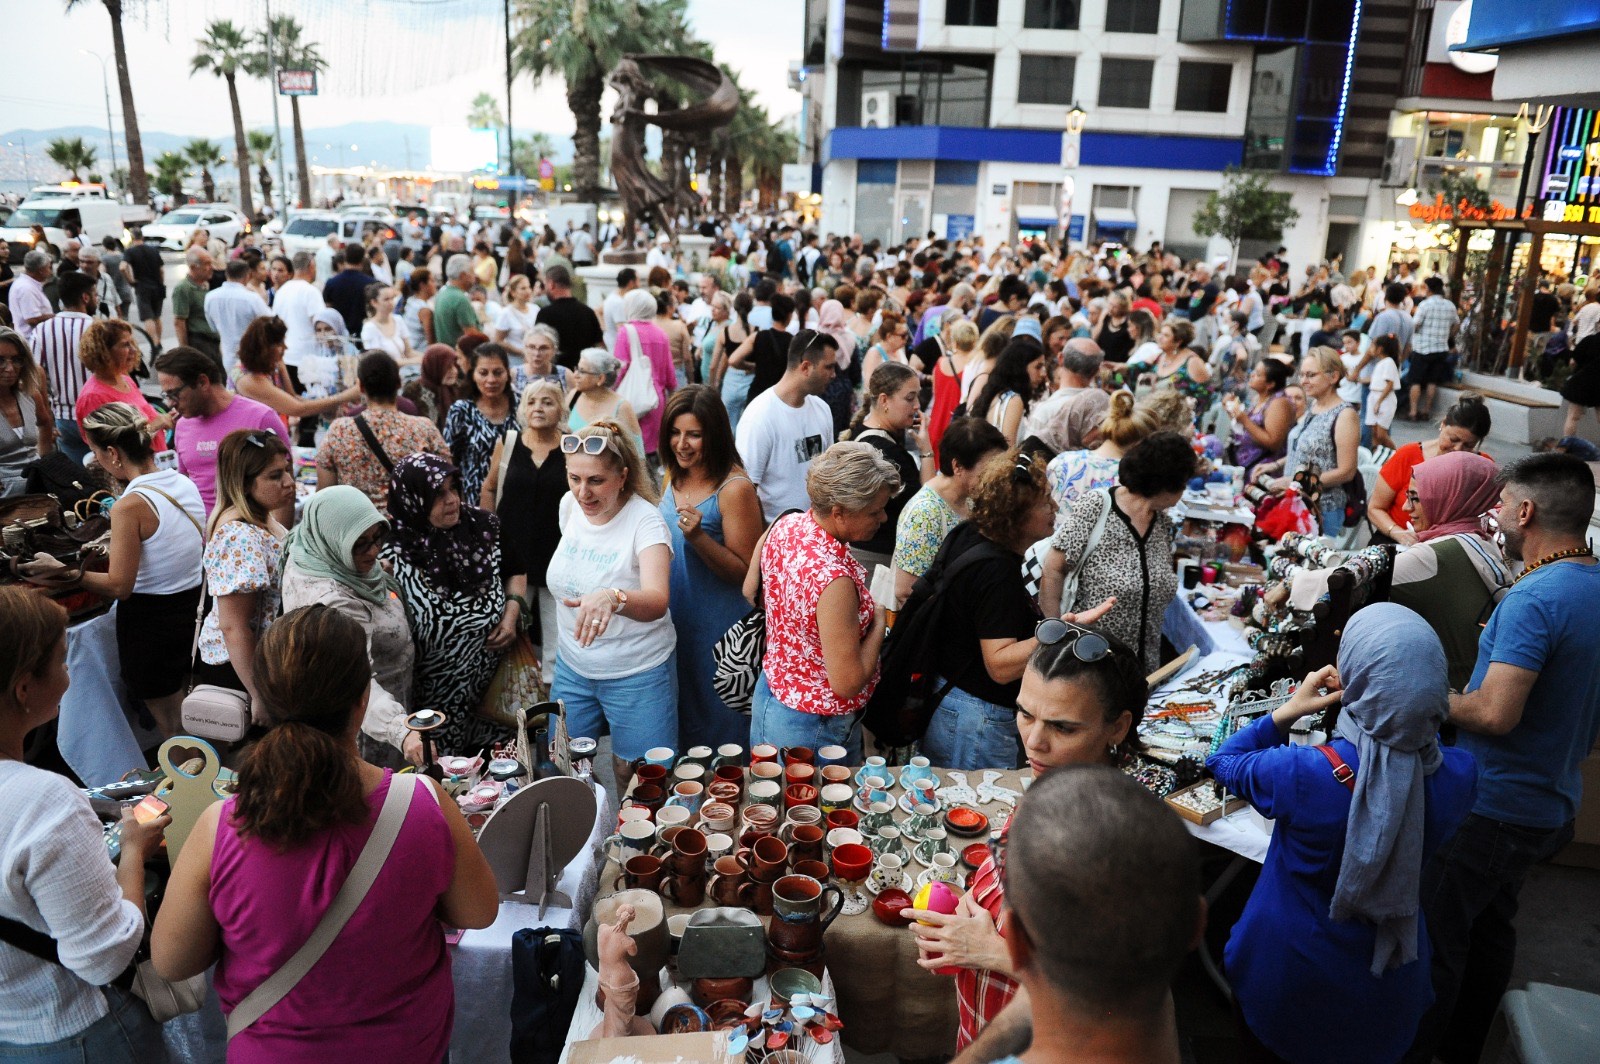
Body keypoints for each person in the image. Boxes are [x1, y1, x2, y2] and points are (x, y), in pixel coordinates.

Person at [151, 605, 498, 1062]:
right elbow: (478, 911)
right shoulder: (423, 802)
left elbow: (174, 961)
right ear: (362, 698)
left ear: (266, 702)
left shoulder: (221, 827)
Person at [1210, 605, 1476, 1064]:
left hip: (1286, 979)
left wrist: (1287, 712)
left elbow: (1223, 759)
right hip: (1388, 991)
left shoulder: (1302, 774)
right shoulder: (1460, 775)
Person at [1406, 453, 1600, 1064]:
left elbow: (1494, 713)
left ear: (1526, 511)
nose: (1494, 516)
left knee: (1436, 941)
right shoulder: (1589, 585)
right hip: (1549, 806)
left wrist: (1424, 692)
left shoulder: (1536, 597)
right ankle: (1461, 1049)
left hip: (1492, 808)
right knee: (1490, 931)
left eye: (1501, 503)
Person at [908, 625, 1150, 1055]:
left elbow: (1117, 995)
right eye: (1025, 714)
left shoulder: (1114, 845)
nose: (1034, 743)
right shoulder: (1055, 786)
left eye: (1064, 727)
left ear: (1117, 727)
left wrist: (990, 951)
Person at [0, 588, 171, 1063]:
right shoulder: (43, 801)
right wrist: (134, 848)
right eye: (60, 661)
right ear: (24, 688)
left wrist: (98, 802)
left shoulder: (47, 800)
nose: (69, 673)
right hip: (83, 1034)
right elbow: (107, 955)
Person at [918, 450, 1117, 769]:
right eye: (1045, 502)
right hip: (975, 720)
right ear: (1016, 515)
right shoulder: (997, 573)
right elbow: (999, 664)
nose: (1054, 508)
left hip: (956, 706)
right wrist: (1061, 631)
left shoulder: (970, 534)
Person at [746, 442, 899, 760]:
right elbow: (847, 683)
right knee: (816, 807)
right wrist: (879, 624)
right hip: (815, 727)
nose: (883, 518)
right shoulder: (834, 580)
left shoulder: (785, 525)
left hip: (773, 696)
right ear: (839, 512)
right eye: (874, 511)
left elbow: (750, 590)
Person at [545, 423, 676, 791]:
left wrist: (613, 597)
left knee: (635, 775)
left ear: (623, 476)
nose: (583, 492)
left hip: (637, 671)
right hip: (574, 668)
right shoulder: (569, 506)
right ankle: (593, 836)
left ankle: (631, 845)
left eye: (596, 481)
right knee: (567, 766)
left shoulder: (645, 521)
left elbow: (657, 599)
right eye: (575, 478)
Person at [67, 403, 205, 737]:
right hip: (191, 612)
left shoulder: (130, 505)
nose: (97, 461)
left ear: (113, 453)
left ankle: (193, 788)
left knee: (174, 729)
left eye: (96, 453)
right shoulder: (182, 483)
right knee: (199, 719)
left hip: (150, 625)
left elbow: (118, 586)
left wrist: (68, 573)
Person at [384, 452, 520, 756]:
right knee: (445, 784)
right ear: (413, 500)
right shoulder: (391, 550)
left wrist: (511, 615)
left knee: (496, 781)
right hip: (429, 710)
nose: (451, 500)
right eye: (437, 494)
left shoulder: (484, 527)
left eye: (453, 488)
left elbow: (515, 570)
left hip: (491, 699)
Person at [280, 487, 422, 765]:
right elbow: (354, 682)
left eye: (377, 538)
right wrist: (401, 731)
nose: (374, 551)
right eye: (360, 544)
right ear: (333, 541)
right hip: (368, 732)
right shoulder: (334, 604)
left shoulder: (313, 548)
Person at [657, 386, 763, 749]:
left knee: (723, 742)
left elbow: (747, 573)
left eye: (694, 434)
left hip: (720, 636)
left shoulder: (734, 489)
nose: (682, 444)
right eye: (675, 432)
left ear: (714, 435)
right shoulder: (672, 475)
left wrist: (700, 538)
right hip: (673, 626)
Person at [1040, 432, 1195, 673]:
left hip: (1142, 669)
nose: (1184, 491)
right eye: (1183, 484)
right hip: (1089, 661)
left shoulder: (1162, 525)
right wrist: (1056, 634)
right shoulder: (1098, 506)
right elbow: (1053, 568)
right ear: (1166, 484)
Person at [1387, 451, 1508, 691]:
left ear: (1448, 497)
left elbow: (1335, 583)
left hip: (1453, 699)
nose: (1404, 507)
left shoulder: (1433, 554)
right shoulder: (1481, 538)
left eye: (1415, 498)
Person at [193, 429, 294, 708]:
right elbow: (233, 626)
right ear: (245, 484)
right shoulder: (239, 535)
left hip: (260, 662)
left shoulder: (261, 518)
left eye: (286, 471)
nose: (288, 482)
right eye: (275, 476)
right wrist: (257, 694)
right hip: (240, 670)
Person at [483, 380, 569, 684]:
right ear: (523, 408)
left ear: (561, 409)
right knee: (513, 629)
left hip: (557, 555)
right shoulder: (507, 443)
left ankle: (555, 706)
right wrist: (489, 536)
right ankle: (513, 700)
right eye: (532, 402)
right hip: (513, 557)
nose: (539, 408)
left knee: (557, 639)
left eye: (547, 402)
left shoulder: (572, 446)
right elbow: (490, 489)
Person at [893, 417, 1006, 603]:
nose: (996, 476)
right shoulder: (925, 512)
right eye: (988, 468)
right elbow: (906, 591)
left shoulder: (973, 499)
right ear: (958, 466)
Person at [317, 351, 448, 513]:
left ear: (361, 387)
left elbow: (324, 496)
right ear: (399, 383)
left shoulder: (339, 431)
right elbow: (447, 482)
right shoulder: (423, 429)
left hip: (359, 530)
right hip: (410, 530)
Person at [736, 329, 840, 521]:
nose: (834, 375)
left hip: (816, 531)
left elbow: (827, 471)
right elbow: (746, 490)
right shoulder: (759, 416)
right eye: (829, 367)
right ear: (806, 367)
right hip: (775, 535)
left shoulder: (822, 408)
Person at [1262, 347, 1361, 537]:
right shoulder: (1315, 406)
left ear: (1333, 377)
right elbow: (1305, 451)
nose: (1303, 381)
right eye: (1302, 375)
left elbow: (1347, 471)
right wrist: (1274, 465)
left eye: (1311, 375)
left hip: (1322, 510)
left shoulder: (1345, 415)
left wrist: (1296, 481)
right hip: (1297, 503)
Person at [1368, 395, 1492, 544]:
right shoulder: (1408, 455)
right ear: (1443, 424)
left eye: (1468, 446)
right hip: (1395, 541)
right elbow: (1375, 508)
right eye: (1453, 439)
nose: (1458, 449)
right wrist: (1397, 532)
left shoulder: (1482, 469)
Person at [844, 362, 931, 569]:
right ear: (884, 400)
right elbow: (927, 505)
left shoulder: (864, 432)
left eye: (918, 396)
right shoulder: (884, 451)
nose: (917, 405)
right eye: (910, 398)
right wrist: (927, 451)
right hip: (876, 560)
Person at [233, 315, 360, 433]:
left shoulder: (274, 362)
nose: (285, 347)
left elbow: (293, 397)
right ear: (265, 348)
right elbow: (297, 408)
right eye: (280, 343)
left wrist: (332, 405)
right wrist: (344, 397)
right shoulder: (248, 380)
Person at [30, 272, 97, 462]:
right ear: (85, 297)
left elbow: (34, 378)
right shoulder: (98, 328)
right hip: (99, 415)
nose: (96, 299)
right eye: (95, 295)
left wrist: (46, 421)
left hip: (64, 418)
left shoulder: (42, 330)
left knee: (75, 480)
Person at [612, 288, 679, 468]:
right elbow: (669, 374)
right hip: (655, 399)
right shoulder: (661, 334)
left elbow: (620, 369)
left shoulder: (626, 332)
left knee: (629, 448)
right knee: (649, 451)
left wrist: (610, 391)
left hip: (631, 398)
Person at [444, 341, 517, 502]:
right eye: (483, 373)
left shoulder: (522, 407)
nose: (491, 380)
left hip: (516, 497)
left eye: (498, 372)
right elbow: (450, 459)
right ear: (473, 374)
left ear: (507, 374)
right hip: (473, 499)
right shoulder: (461, 411)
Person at [0, 328, 54, 498]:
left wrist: (43, 461)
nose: (10, 368)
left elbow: (45, 423)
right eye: (0, 360)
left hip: (38, 489)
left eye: (16, 360)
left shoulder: (29, 394)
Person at [1221, 357, 1293, 480]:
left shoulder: (1279, 403)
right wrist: (1232, 410)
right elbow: (1248, 430)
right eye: (1254, 371)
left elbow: (1273, 443)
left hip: (1261, 473)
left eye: (1258, 374)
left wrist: (1244, 420)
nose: (1252, 375)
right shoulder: (1258, 399)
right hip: (1245, 467)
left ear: (1270, 384)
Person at [970, 337, 1046, 447]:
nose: (1043, 373)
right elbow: (1008, 450)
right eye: (1038, 367)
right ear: (1020, 368)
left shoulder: (998, 393)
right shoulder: (1013, 399)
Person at [568, 347, 644, 456]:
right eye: (576, 369)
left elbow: (637, 451)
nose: (575, 375)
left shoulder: (622, 407)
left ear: (600, 378)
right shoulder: (574, 396)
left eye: (582, 371)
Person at [205, 257, 272, 374]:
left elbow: (213, 327)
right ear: (247, 275)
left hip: (228, 355)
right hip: (252, 355)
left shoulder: (210, 297)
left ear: (226, 274)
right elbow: (271, 322)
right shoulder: (251, 298)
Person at [272, 252, 325, 392]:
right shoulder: (311, 291)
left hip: (286, 357)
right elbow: (321, 323)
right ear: (311, 266)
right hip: (307, 359)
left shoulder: (281, 291)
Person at [1408, 276, 1458, 421]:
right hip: (1441, 348)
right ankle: (1426, 411)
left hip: (1422, 348)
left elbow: (1415, 324)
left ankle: (1413, 411)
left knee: (1415, 381)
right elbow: (1456, 324)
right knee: (1432, 381)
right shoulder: (1450, 305)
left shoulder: (1425, 305)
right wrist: (1448, 336)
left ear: (1428, 289)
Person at [537, 265, 602, 369]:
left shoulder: (545, 314)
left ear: (551, 284)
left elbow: (538, 345)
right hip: (584, 372)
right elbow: (598, 344)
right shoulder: (588, 312)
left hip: (556, 373)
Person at [171, 247, 221, 361]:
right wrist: (185, 351)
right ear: (193, 267)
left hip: (213, 342)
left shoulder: (205, 285)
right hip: (199, 342)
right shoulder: (183, 288)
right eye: (206, 264)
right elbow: (179, 322)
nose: (211, 267)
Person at [403, 343, 459, 431]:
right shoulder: (414, 392)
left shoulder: (456, 389)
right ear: (434, 367)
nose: (454, 371)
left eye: (455, 366)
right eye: (448, 367)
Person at [125, 228, 166, 345]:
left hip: (142, 287)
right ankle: (159, 340)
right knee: (157, 316)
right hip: (157, 286)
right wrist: (161, 283)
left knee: (148, 317)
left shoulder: (130, 252)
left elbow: (122, 267)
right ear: (142, 237)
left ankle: (154, 342)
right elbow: (161, 270)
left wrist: (130, 281)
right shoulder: (153, 250)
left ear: (132, 238)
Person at [359, 283, 416, 366]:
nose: (391, 302)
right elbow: (379, 362)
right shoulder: (369, 328)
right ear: (374, 302)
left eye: (392, 298)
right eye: (386, 299)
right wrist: (413, 361)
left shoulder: (398, 320)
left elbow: (409, 352)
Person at [1365, 333, 1404, 450]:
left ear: (1380, 348)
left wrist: (1379, 402)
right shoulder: (1382, 363)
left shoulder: (1388, 362)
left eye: (1372, 346)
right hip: (1374, 396)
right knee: (1375, 434)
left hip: (1383, 399)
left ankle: (1396, 454)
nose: (1370, 349)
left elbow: (1390, 384)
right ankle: (1377, 457)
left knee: (1382, 434)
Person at [433, 255, 480, 349]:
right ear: (463, 275)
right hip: (459, 355)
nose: (475, 276)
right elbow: (472, 336)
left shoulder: (442, 293)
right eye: (472, 272)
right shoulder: (460, 299)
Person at [492, 274, 540, 363]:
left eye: (529, 287)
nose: (528, 291)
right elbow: (498, 340)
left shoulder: (535, 309)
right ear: (513, 292)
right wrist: (520, 352)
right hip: (516, 360)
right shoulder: (506, 313)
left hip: (535, 359)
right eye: (523, 288)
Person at [401, 268, 436, 351]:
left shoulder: (411, 301)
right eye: (432, 281)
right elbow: (431, 343)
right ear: (422, 285)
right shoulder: (424, 310)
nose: (435, 284)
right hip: (420, 354)